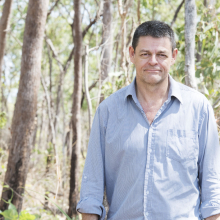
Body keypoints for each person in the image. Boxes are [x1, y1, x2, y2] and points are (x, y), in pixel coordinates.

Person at [76, 21, 220, 220]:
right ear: (131, 54)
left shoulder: (198, 109)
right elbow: (91, 190)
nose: (153, 61)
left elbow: (213, 187)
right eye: (145, 54)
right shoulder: (107, 112)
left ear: (174, 57)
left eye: (161, 54)